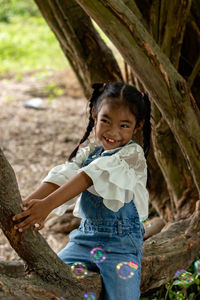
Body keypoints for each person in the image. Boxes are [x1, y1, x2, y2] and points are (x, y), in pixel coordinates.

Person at [13, 82, 151, 300]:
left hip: (121, 245)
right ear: (95, 116)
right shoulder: (89, 152)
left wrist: (47, 207)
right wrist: (27, 206)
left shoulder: (131, 155)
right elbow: (64, 175)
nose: (113, 132)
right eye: (106, 121)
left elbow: (88, 177)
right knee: (54, 282)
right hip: (84, 240)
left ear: (138, 126)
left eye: (124, 125)